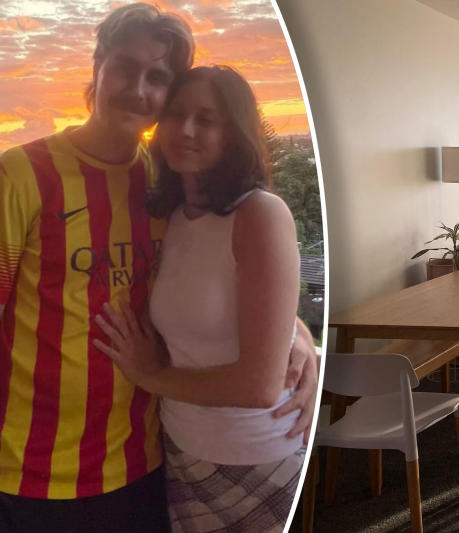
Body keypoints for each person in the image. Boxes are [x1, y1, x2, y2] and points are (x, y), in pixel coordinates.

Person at [0, 4, 318, 532]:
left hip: (146, 459)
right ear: (97, 65)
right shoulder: (20, 176)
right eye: (125, 67)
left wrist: (297, 336)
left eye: (158, 77)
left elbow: (230, 279)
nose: (138, 89)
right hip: (32, 471)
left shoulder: (165, 183)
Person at [95, 64, 306, 533]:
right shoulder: (170, 217)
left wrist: (148, 374)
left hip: (254, 460)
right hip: (180, 450)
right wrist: (299, 333)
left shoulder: (260, 214)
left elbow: (259, 388)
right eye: (175, 114)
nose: (185, 130)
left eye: (206, 120)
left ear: (235, 132)